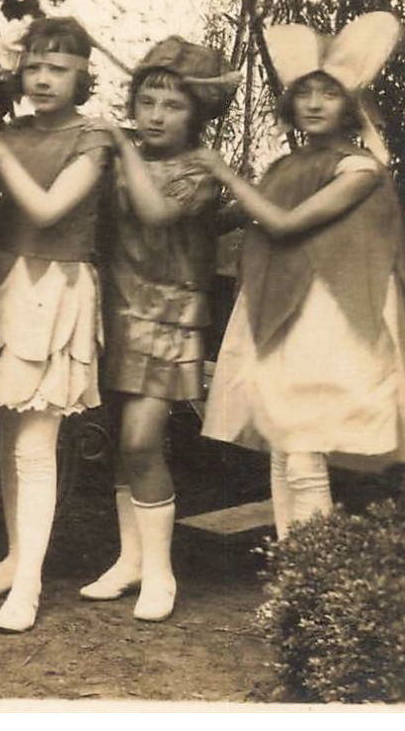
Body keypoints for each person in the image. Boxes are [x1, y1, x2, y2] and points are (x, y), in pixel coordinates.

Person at [194, 14, 405, 537]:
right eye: (304, 93)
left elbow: (284, 223)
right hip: (282, 313)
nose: (314, 104)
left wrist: (224, 171)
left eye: (329, 94)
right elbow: (240, 215)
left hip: (332, 320)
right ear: (290, 103)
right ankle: (293, 576)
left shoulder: (359, 169)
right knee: (284, 446)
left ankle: (309, 578)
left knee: (303, 450)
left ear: (350, 106)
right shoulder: (287, 167)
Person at [0, 16, 114, 634]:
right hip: (3, 277)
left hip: (55, 287)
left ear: (82, 77)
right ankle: (14, 554)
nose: (43, 78)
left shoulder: (93, 138)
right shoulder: (15, 130)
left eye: (59, 69)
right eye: (36, 66)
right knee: (5, 430)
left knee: (35, 442)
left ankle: (29, 583)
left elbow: (49, 209)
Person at [81, 36, 236, 622]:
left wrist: (117, 148)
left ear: (197, 112)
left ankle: (162, 571)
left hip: (171, 313)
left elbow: (155, 212)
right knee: (123, 441)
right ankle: (131, 560)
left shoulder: (199, 170)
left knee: (144, 439)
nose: (155, 115)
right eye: (146, 101)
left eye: (172, 105)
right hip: (117, 308)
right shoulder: (119, 158)